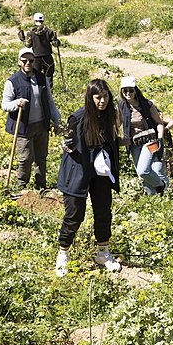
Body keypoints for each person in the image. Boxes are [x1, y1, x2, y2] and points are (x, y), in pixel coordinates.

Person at [54, 79, 122, 277]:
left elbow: (113, 142)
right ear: (90, 98)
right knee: (74, 214)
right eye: (98, 97)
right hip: (78, 171)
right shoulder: (78, 118)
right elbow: (68, 143)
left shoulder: (109, 117)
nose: (102, 101)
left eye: (105, 97)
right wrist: (66, 144)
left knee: (103, 211)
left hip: (100, 171)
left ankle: (103, 253)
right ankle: (63, 254)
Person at [2, 48, 62, 193]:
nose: (28, 63)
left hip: (41, 124)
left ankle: (41, 184)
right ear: (19, 62)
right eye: (24, 60)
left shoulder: (41, 79)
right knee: (26, 158)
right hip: (23, 126)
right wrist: (16, 103)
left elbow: (49, 100)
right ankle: (22, 185)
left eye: (31, 60)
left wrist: (57, 120)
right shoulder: (12, 82)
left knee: (41, 157)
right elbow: (4, 105)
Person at [116, 77, 173, 196]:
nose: (128, 93)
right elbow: (117, 124)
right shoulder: (121, 107)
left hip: (150, 140)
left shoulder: (146, 105)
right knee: (143, 176)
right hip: (134, 143)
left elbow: (159, 122)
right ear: (121, 92)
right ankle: (153, 198)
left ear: (135, 90)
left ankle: (162, 186)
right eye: (125, 90)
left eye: (131, 90)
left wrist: (160, 138)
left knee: (143, 171)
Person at [18, 13, 60, 83]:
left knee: (35, 78)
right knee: (49, 77)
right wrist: (56, 39)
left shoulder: (31, 32)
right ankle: (49, 92)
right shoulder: (49, 31)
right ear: (43, 20)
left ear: (35, 20)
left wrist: (22, 39)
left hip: (36, 58)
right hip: (47, 57)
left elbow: (28, 45)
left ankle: (37, 92)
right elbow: (55, 44)